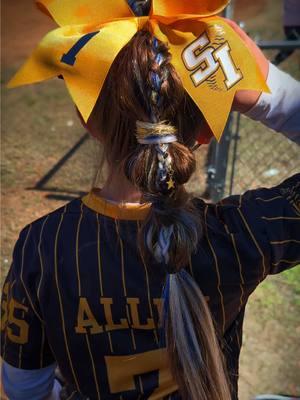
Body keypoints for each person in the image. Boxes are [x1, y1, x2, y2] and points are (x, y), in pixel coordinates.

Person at [1, 1, 300, 400]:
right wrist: (270, 95)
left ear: (86, 118)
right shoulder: (241, 235)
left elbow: (24, 390)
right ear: (210, 129)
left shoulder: (44, 246)